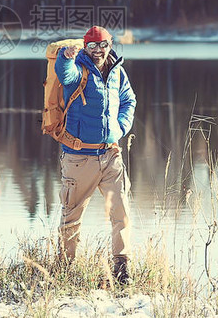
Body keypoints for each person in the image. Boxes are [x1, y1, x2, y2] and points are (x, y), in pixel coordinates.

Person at [55, 25, 136, 285]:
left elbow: (128, 100)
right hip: (80, 158)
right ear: (85, 47)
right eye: (92, 45)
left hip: (111, 156)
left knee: (121, 214)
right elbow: (64, 75)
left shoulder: (117, 72)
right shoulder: (78, 69)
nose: (98, 50)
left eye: (103, 45)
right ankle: (64, 271)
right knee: (71, 217)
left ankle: (121, 271)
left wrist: (120, 128)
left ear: (110, 46)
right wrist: (65, 58)